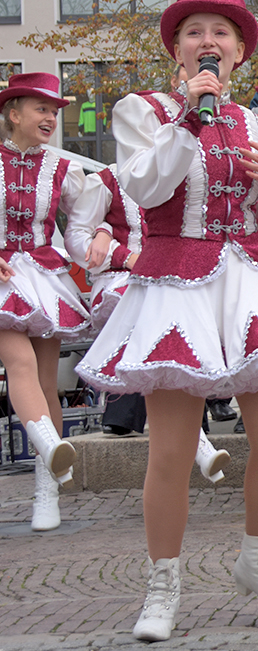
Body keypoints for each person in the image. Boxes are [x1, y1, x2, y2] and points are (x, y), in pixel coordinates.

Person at [75, 0, 258, 641]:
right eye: (195, 31)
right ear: (177, 48)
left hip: (251, 282)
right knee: (170, 451)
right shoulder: (141, 111)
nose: (208, 42)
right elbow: (145, 187)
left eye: (221, 33)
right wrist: (190, 120)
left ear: (240, 53)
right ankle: (162, 586)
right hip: (175, 284)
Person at [66, 164, 233, 479]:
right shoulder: (106, 181)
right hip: (124, 279)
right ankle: (199, 441)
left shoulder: (187, 170)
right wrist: (117, 248)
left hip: (173, 276)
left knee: (177, 323)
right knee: (152, 314)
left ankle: (188, 429)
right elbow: (78, 232)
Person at [0, 72, 91, 532]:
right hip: (2, 277)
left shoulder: (62, 168)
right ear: (13, 114)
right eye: (41, 109)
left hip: (43, 276)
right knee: (18, 362)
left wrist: (102, 241)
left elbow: (86, 222)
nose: (51, 118)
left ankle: (46, 492)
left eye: (54, 111)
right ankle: (51, 448)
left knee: (44, 381)